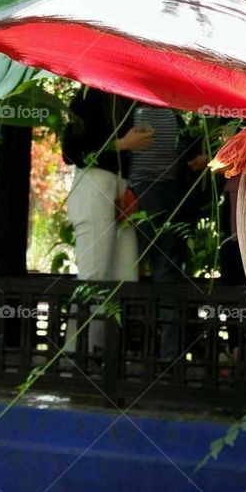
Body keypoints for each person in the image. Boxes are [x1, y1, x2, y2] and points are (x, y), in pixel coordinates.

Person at [61, 87, 153, 355]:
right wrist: (122, 145)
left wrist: (125, 187)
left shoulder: (124, 98)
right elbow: (71, 152)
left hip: (119, 185)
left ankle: (102, 351)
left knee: (125, 274)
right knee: (94, 273)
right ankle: (76, 353)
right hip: (93, 181)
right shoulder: (88, 96)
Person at [129, 103, 185, 362]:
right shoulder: (133, 110)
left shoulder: (170, 112)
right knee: (145, 270)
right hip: (143, 192)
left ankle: (161, 353)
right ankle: (157, 352)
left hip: (162, 191)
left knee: (152, 270)